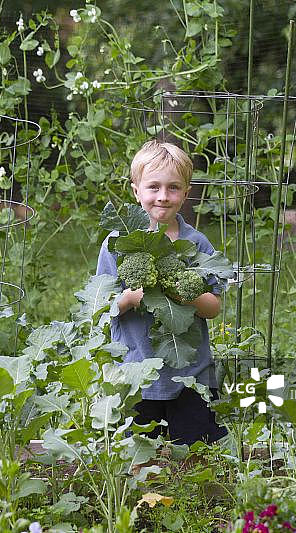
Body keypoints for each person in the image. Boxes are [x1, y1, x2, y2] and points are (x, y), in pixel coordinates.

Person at [96, 139, 227, 446]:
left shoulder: (197, 244)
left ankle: (194, 495)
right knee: (140, 451)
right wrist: (131, 297)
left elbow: (213, 307)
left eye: (173, 188)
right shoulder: (117, 242)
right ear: (136, 191)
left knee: (195, 450)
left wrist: (184, 294)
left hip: (191, 375)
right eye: (153, 187)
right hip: (135, 373)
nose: (163, 197)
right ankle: (146, 494)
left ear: (186, 192)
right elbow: (101, 306)